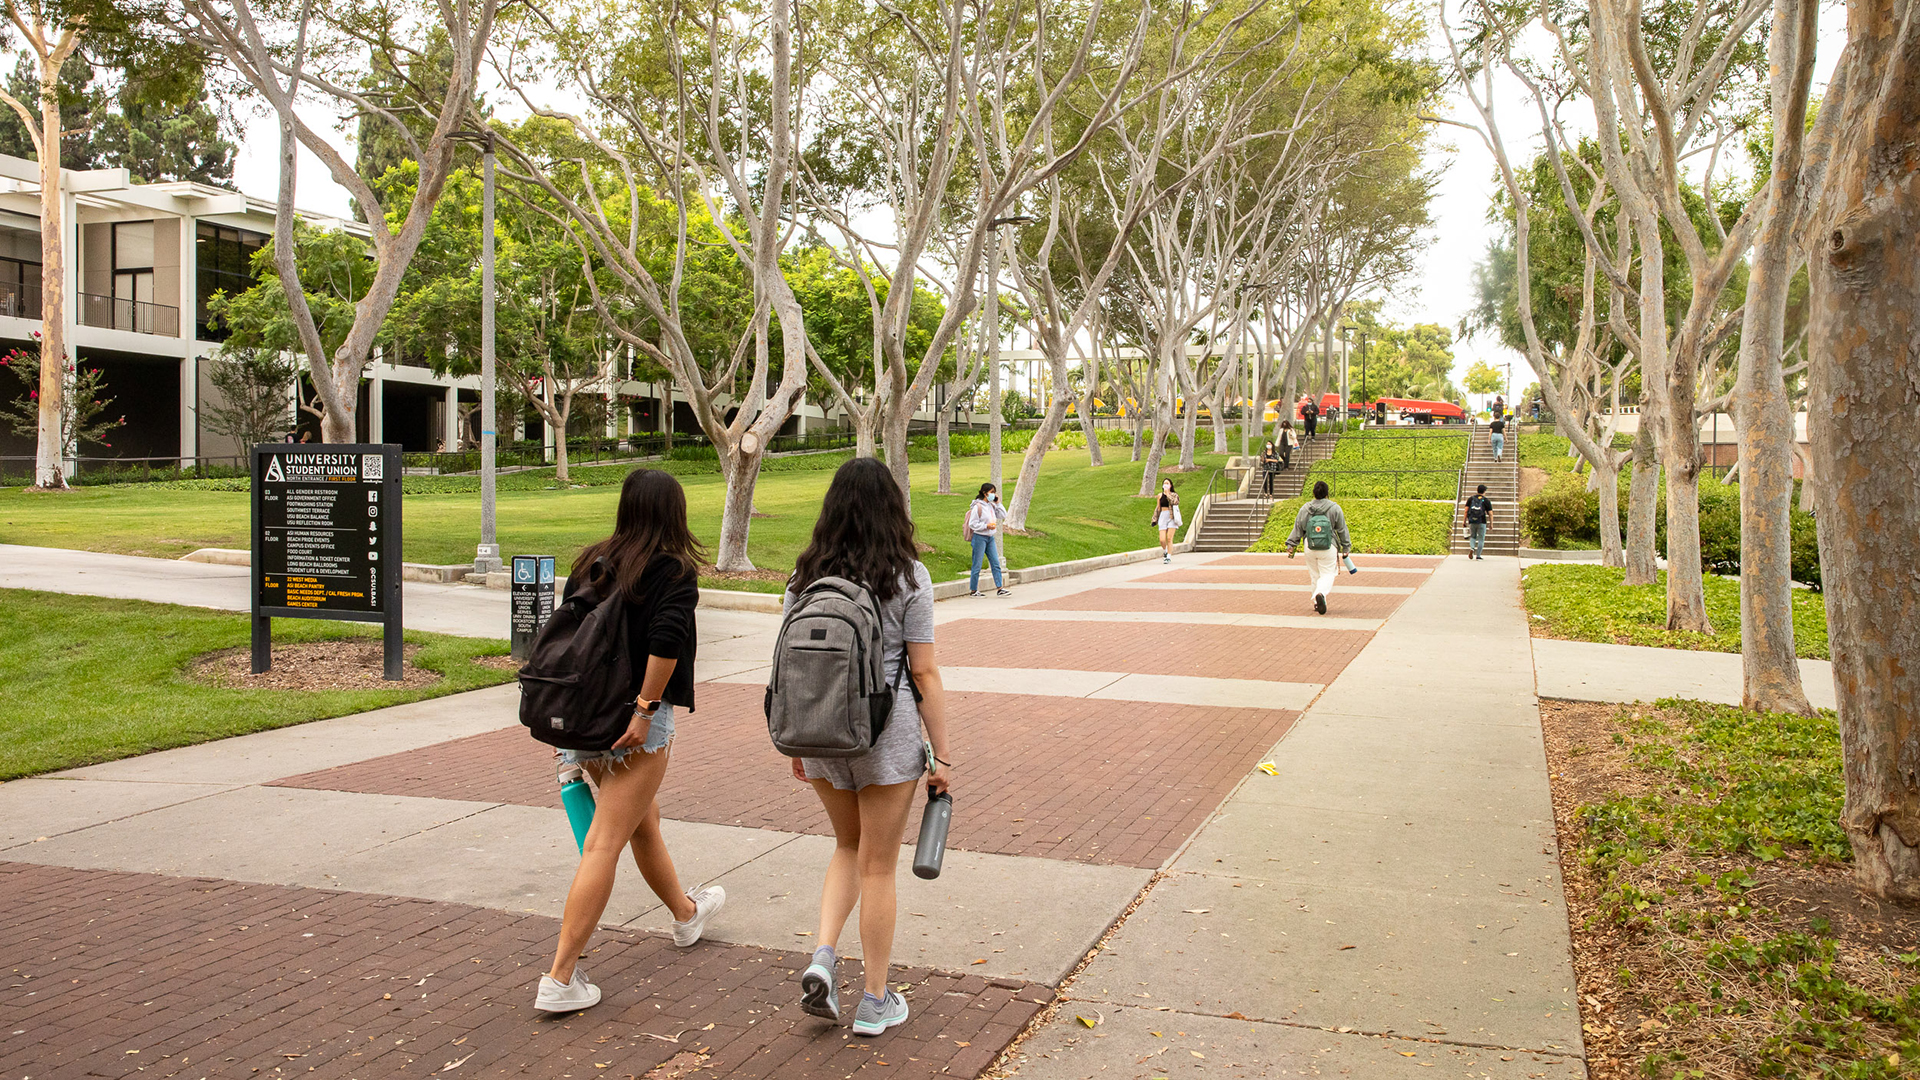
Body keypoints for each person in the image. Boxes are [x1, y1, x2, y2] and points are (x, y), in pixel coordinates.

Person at [535, 469, 726, 1014]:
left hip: (584, 715)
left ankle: (687, 916)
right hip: (634, 720)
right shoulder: (671, 570)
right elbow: (666, 643)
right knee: (605, 842)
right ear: (673, 513)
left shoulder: (592, 562)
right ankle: (560, 978)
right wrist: (644, 711)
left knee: (642, 819)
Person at [789, 457, 953, 1038]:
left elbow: (792, 670)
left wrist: (797, 745)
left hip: (822, 734)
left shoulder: (805, 575)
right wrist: (943, 754)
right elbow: (925, 672)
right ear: (893, 509)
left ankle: (823, 957)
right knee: (878, 866)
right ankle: (876, 1000)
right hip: (889, 736)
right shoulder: (908, 577)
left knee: (845, 846)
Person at [1284, 480, 1351, 615]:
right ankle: (1320, 593)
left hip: (1310, 545)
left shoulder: (1305, 508)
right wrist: (1346, 547)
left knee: (1315, 575)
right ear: (1327, 494)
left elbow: (1298, 527)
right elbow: (1342, 529)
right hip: (1328, 546)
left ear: (1314, 493)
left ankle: (1316, 602)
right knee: (1328, 573)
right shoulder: (1334, 508)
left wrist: (1291, 543)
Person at [965, 483, 1010, 597]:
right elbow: (973, 524)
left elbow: (1003, 515)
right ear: (985, 493)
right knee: (977, 564)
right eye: (991, 492)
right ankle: (973, 590)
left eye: (994, 492)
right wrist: (986, 526)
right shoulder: (978, 507)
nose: (993, 494)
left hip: (990, 537)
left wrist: (998, 503)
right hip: (980, 537)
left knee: (995, 563)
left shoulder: (991, 505)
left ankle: (1000, 588)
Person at [1153, 477, 1182, 563]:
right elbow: (1158, 508)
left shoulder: (1174, 495)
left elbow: (1175, 502)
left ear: (1170, 485)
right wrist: (1155, 519)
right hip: (1163, 516)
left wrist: (1167, 494)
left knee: (1169, 538)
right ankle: (1165, 551)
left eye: (1167, 483)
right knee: (1162, 539)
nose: (1165, 485)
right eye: (1164, 483)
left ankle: (1169, 556)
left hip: (1171, 517)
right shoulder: (1159, 495)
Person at [1465, 483, 1493, 560]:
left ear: (1477, 490)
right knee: (1481, 538)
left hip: (1472, 521)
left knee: (1473, 536)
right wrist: (1491, 523)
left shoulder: (1471, 499)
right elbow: (1490, 513)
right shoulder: (1486, 500)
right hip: (1482, 521)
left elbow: (1466, 511)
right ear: (1484, 491)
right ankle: (1478, 556)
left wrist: (1464, 521)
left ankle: (1472, 548)